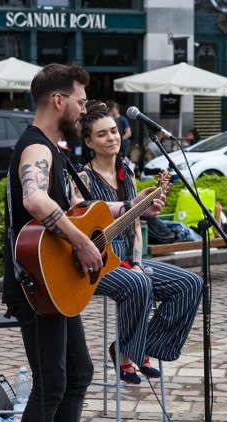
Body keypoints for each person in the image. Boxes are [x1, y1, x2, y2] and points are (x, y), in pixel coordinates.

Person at [2, 63, 164, 422]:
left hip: (58, 285)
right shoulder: (35, 148)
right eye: (77, 99)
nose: (81, 108)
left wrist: (136, 204)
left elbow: (79, 208)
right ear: (59, 101)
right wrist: (80, 244)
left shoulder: (55, 149)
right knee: (51, 382)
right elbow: (35, 200)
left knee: (79, 372)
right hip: (37, 283)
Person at [75, 101, 202, 385]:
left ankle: (142, 347)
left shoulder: (128, 173)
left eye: (113, 131)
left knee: (190, 284)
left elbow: (134, 224)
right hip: (95, 261)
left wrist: (136, 262)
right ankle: (123, 352)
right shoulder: (81, 177)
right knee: (139, 283)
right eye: (102, 134)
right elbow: (78, 222)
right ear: (89, 142)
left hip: (126, 258)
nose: (112, 138)